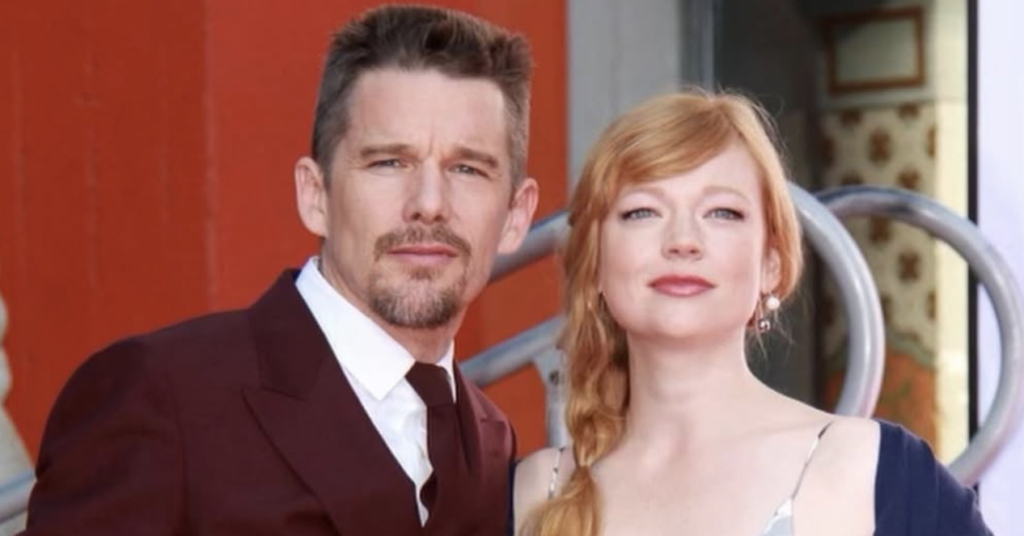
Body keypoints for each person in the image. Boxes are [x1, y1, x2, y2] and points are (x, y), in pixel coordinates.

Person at [22, 5, 538, 536]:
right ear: (315, 196)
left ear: (515, 216)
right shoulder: (164, 396)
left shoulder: (490, 442)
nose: (429, 203)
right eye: (388, 162)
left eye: (467, 168)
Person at [513, 90, 990, 536]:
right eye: (642, 212)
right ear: (594, 263)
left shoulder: (873, 470)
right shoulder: (535, 491)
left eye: (722, 212)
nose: (683, 240)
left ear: (771, 265)